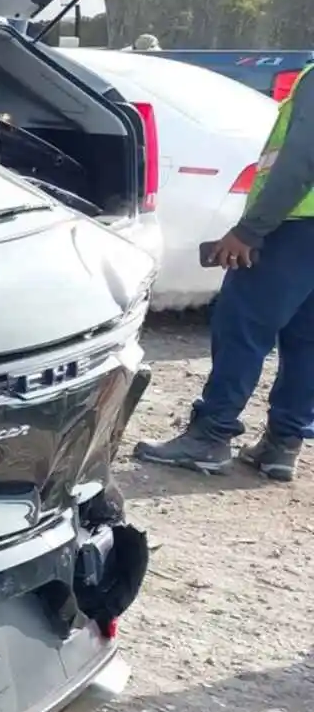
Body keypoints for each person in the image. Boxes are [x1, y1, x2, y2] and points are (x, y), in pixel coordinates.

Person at [134, 65, 314, 482]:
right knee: (307, 339)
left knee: (243, 327)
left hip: (295, 227)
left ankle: (210, 436)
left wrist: (250, 231)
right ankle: (283, 444)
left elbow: (299, 162)